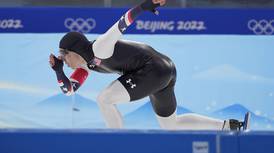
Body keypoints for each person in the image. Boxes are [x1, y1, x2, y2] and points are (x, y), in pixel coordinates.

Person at [49, 0, 247, 130]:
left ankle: (120, 145)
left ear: (74, 51)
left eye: (63, 56)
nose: (63, 61)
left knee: (104, 99)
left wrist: (144, 6)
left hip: (152, 69)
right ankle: (229, 126)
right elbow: (69, 90)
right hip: (164, 69)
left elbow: (121, 24)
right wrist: (58, 72)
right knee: (170, 125)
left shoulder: (99, 48)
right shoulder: (84, 67)